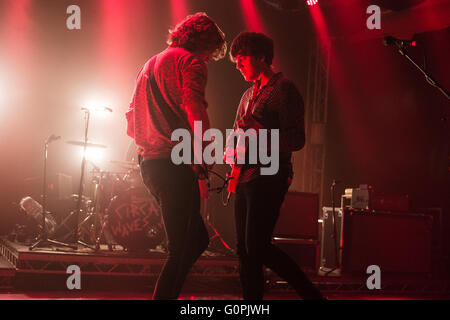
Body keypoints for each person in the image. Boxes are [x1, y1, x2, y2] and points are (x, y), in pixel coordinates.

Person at [125, 12, 226, 300]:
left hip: (150, 164)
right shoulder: (189, 62)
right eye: (210, 52)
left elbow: (131, 120)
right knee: (181, 247)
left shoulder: (149, 64)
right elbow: (194, 108)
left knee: (196, 240)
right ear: (203, 44)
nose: (208, 59)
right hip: (174, 163)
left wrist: (153, 137)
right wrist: (205, 151)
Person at [227, 32, 325, 300]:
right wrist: (231, 151)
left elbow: (297, 139)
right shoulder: (248, 95)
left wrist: (259, 132)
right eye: (235, 60)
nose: (237, 64)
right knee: (244, 249)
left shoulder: (283, 89)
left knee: (257, 246)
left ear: (261, 57)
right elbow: (237, 134)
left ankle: (312, 296)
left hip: (270, 175)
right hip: (244, 176)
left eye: (242, 58)